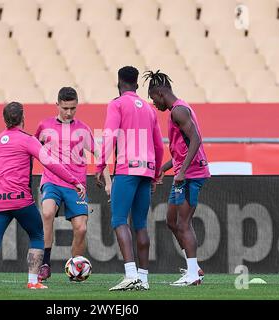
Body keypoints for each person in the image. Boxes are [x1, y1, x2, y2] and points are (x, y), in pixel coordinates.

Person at [0, 102, 86, 289]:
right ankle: (33, 282)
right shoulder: (27, 139)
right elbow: (50, 163)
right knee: (37, 235)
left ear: (4, 119)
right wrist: (74, 181)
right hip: (21, 200)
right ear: (23, 118)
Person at [95, 66, 164, 291]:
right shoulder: (149, 108)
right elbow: (158, 145)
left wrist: (100, 164)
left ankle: (131, 274)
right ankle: (143, 279)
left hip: (127, 168)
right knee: (141, 224)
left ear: (119, 83)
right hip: (147, 169)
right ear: (136, 84)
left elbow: (109, 136)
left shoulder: (116, 104)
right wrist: (155, 175)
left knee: (119, 220)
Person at [34, 87, 111, 282]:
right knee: (47, 212)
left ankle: (76, 268)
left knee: (81, 228)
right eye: (65, 108)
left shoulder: (83, 129)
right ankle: (45, 264)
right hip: (51, 180)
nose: (69, 112)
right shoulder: (44, 126)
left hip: (76, 185)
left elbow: (100, 155)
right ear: (57, 104)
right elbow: (30, 149)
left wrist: (109, 182)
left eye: (73, 108)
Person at [143, 70, 210, 286]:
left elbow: (196, 141)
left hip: (190, 175)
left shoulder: (179, 111)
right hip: (184, 173)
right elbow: (183, 149)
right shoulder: (177, 110)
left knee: (183, 223)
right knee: (171, 221)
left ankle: (192, 274)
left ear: (161, 93)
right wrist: (165, 168)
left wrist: (181, 172)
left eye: (153, 98)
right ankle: (194, 268)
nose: (154, 103)